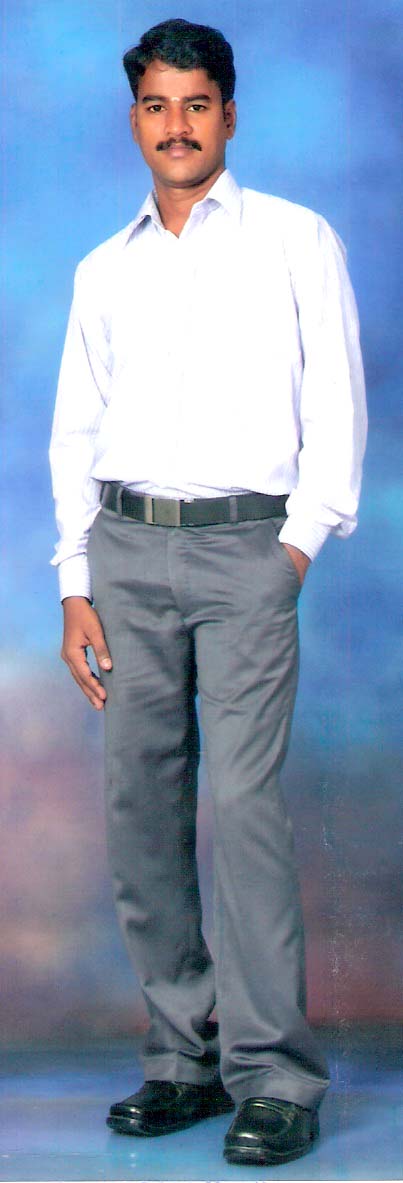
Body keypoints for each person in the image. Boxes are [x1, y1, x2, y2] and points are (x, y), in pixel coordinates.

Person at [49, 17, 367, 1168]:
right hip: (125, 554)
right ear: (134, 119)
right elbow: (74, 429)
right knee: (140, 808)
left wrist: (295, 547)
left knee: (241, 809)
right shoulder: (104, 269)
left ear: (228, 114)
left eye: (196, 104)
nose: (175, 126)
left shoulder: (294, 240)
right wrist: (76, 580)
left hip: (246, 555)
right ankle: (180, 1057)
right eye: (155, 106)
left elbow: (335, 399)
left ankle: (273, 1075)